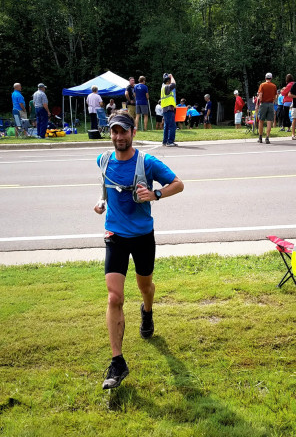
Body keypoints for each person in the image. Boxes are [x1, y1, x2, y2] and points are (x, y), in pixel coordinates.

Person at [93, 112, 185, 389]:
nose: (119, 137)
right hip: (115, 235)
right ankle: (118, 363)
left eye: (124, 132)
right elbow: (106, 189)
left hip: (143, 236)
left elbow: (178, 184)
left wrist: (156, 194)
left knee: (145, 286)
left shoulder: (148, 162)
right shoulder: (103, 160)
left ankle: (147, 311)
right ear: (110, 134)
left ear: (133, 132)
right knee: (114, 297)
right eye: (114, 132)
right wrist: (100, 202)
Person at [256, 72, 277, 144]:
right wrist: (272, 102)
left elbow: (260, 95)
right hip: (271, 104)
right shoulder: (274, 86)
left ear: (265, 78)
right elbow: (275, 96)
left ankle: (260, 137)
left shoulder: (262, 85)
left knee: (261, 121)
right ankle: (267, 138)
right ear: (271, 78)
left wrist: (258, 104)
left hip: (263, 104)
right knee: (269, 121)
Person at [160, 73, 178, 147]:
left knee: (166, 126)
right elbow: (174, 84)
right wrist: (172, 76)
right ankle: (170, 141)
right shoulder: (166, 87)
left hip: (165, 109)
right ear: (168, 81)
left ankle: (165, 141)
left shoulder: (163, 87)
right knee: (172, 126)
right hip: (168, 109)